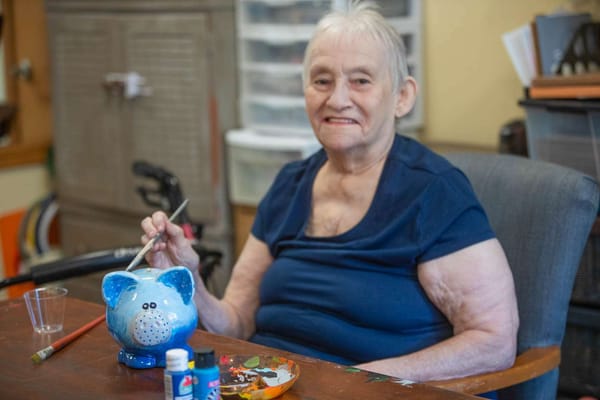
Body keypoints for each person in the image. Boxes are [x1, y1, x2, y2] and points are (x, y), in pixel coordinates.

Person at [140, 0, 519, 384]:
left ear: (402, 96)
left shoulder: (435, 192)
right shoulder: (289, 185)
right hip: (271, 386)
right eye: (322, 80)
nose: (337, 99)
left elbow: (493, 341)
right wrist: (189, 279)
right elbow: (235, 323)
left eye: (361, 81)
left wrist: (351, 381)